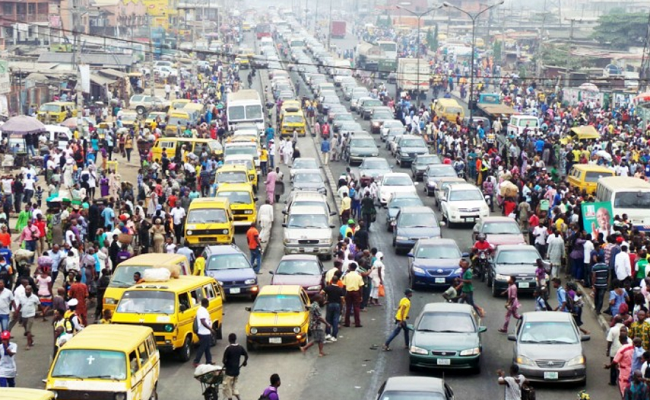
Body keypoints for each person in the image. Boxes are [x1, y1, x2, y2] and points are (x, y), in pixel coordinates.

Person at [222, 333, 248, 400]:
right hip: (236, 371)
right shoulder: (240, 347)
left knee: (228, 388)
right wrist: (244, 362)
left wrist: (226, 364)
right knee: (234, 386)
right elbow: (246, 355)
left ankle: (230, 398)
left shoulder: (228, 348)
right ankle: (239, 398)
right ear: (235, 339)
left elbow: (223, 360)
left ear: (229, 339)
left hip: (229, 372)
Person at [193, 298, 214, 367]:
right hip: (203, 332)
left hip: (206, 332)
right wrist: (210, 329)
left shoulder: (203, 310)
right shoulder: (201, 311)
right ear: (206, 303)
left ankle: (209, 361)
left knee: (207, 347)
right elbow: (203, 321)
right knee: (202, 347)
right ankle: (196, 361)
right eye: (208, 303)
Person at [342, 263, 364, 327]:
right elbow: (361, 287)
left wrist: (343, 295)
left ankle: (347, 322)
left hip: (348, 292)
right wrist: (361, 295)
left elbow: (344, 286)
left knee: (348, 308)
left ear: (350, 268)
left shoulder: (346, 276)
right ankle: (357, 323)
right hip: (356, 292)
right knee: (356, 308)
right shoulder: (359, 276)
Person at [323, 275, 344, 342]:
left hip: (329, 304)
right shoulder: (340, 289)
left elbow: (321, 292)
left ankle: (328, 333)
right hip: (337, 305)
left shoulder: (328, 288)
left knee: (328, 319)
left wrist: (324, 300)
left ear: (331, 280)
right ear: (337, 281)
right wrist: (342, 307)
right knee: (335, 320)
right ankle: (334, 336)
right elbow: (342, 299)